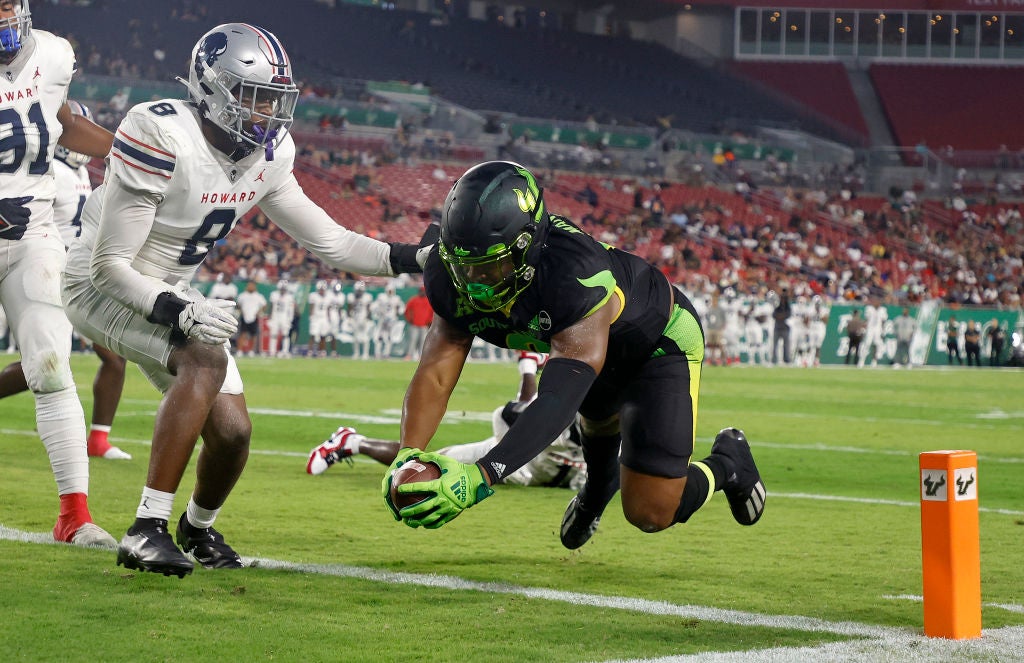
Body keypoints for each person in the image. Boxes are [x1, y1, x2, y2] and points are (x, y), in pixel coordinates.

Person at [61, 23, 428, 577]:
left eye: (275, 99)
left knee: (234, 433)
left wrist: (414, 259)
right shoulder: (159, 130)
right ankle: (146, 529)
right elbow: (109, 266)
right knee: (204, 357)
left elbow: (331, 242)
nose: (268, 113)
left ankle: (196, 528)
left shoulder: (271, 153)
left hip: (169, 289)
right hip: (99, 282)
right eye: (255, 96)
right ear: (212, 88)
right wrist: (178, 309)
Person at [380, 161, 765, 549]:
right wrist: (408, 453)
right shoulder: (452, 272)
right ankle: (597, 492)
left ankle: (728, 464)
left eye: (490, 267)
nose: (474, 282)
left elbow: (558, 397)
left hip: (656, 345)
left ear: (525, 246)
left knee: (650, 512)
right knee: (598, 458)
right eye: (464, 267)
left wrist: (483, 476)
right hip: (587, 353)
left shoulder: (575, 273)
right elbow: (436, 373)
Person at [0, 0, 119, 547]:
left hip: (31, 234)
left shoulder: (52, 55)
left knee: (50, 364)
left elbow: (63, 123)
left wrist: (129, 152)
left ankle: (74, 515)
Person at [0, 99, 131, 460]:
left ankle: (99, 439)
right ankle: (97, 440)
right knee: (44, 365)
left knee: (111, 357)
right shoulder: (47, 171)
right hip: (41, 269)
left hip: (76, 275)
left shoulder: (79, 174)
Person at [308, 351, 586, 489]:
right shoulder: (564, 410)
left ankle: (528, 362)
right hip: (518, 459)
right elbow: (510, 414)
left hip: (552, 468)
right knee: (427, 466)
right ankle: (352, 442)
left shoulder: (605, 411)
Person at [235, 280, 266, 357]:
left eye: (252, 285)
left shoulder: (259, 296)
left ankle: (251, 350)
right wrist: (242, 311)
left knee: (253, 335)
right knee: (242, 334)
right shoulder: (242, 295)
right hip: (244, 316)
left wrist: (258, 312)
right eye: (249, 285)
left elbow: (264, 305)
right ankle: (239, 350)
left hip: (254, 317)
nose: (251, 287)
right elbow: (238, 305)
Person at [402, 285, 432, 361]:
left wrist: (429, 322)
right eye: (421, 291)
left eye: (424, 291)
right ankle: (409, 355)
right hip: (414, 325)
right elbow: (407, 311)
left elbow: (432, 314)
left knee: (422, 341)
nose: (422, 292)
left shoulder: (429, 301)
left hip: (424, 325)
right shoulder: (413, 300)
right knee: (412, 340)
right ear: (419, 291)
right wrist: (410, 319)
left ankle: (421, 356)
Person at [267, 279, 296, 357]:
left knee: (285, 334)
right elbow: (271, 306)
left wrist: (290, 318)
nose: (282, 290)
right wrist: (269, 317)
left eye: (284, 289)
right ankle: (272, 351)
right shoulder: (274, 294)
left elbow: (291, 309)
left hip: (285, 317)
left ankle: (285, 351)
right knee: (273, 334)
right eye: (281, 288)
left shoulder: (290, 297)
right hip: (275, 316)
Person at [770, 287, 791, 365]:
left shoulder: (787, 306)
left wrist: (780, 316)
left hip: (785, 327)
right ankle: (774, 360)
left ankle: (787, 360)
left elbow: (788, 315)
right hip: (777, 327)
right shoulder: (777, 306)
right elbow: (774, 315)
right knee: (775, 345)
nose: (783, 299)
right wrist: (781, 316)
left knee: (786, 345)